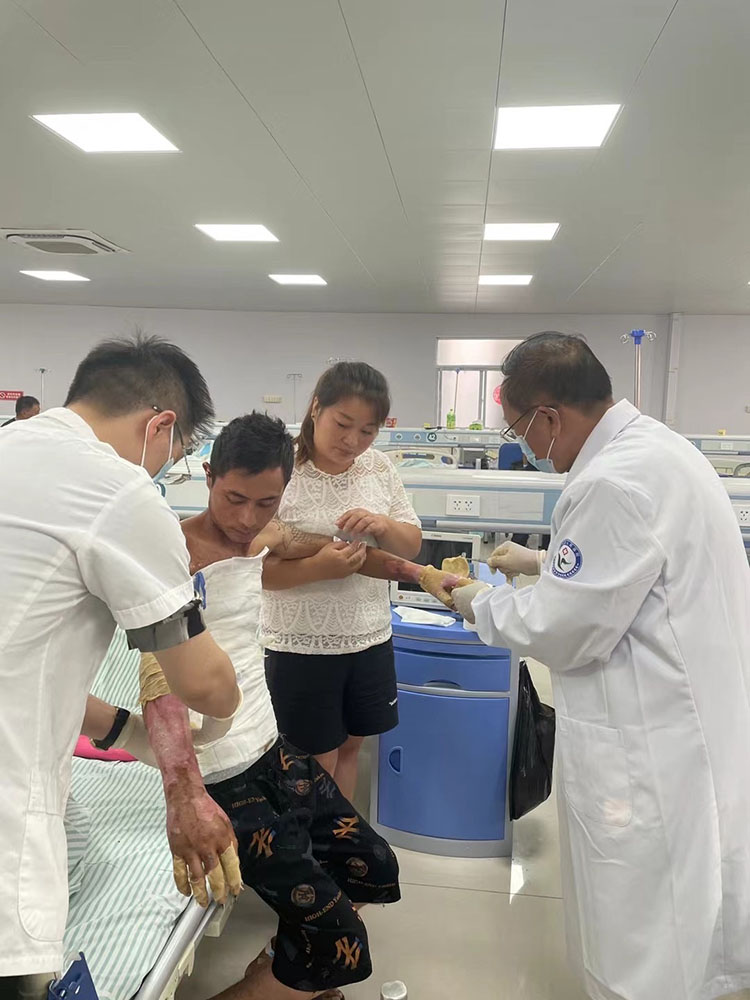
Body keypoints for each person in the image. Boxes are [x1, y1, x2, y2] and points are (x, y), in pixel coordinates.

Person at [439, 332, 750, 1000]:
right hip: (692, 723)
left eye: (519, 430)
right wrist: (544, 561)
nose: (524, 446)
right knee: (685, 913)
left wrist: (475, 602)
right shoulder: (659, 451)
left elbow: (563, 630)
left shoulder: (609, 482)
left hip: (649, 743)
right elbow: (633, 570)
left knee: (640, 932)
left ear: (548, 418)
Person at [138, 413, 420, 1000]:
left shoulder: (266, 534)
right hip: (219, 773)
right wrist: (183, 792)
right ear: (209, 475)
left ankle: (276, 967)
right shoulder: (175, 552)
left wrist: (421, 573)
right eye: (234, 499)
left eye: (265, 503)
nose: (247, 518)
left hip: (271, 748)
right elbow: (158, 677)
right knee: (338, 942)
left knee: (374, 866)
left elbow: (335, 549)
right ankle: (299, 970)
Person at [0, 335, 242, 997]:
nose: (164, 469)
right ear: (159, 425)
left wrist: (124, 731)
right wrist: (229, 701)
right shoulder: (118, 489)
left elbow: (21, 658)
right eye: (175, 454)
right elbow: (204, 683)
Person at [262, 362, 422, 800]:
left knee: (351, 750)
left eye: (367, 431)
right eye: (343, 424)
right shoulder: (280, 469)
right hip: (302, 644)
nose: (353, 441)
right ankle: (312, 843)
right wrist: (318, 568)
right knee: (312, 764)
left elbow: (411, 544)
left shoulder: (378, 468)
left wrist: (382, 525)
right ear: (316, 408)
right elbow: (254, 567)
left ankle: (341, 839)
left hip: (368, 637)